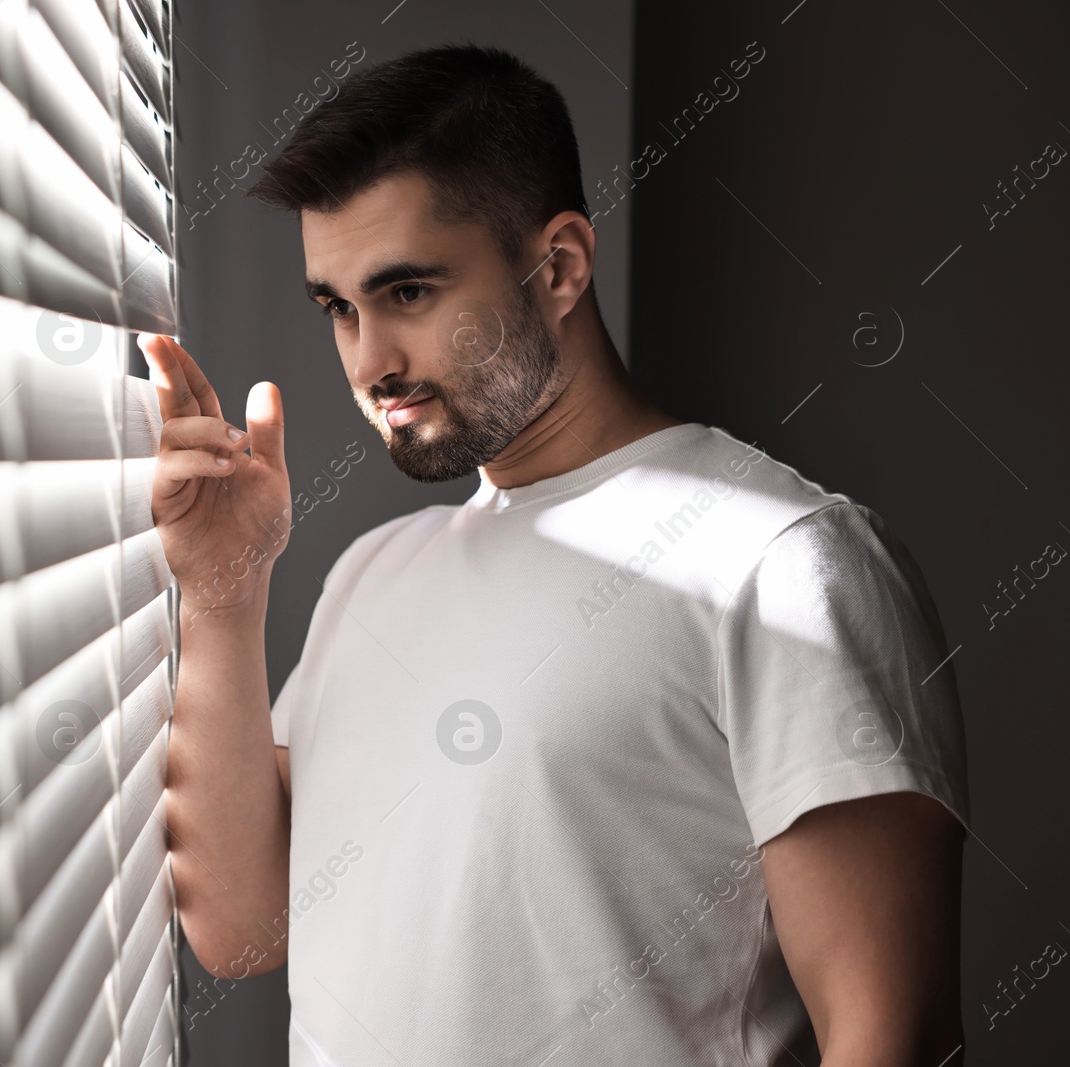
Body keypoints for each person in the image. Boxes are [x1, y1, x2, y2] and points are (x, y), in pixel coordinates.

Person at [142, 43, 968, 1067]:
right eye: (339, 307)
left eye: (408, 292)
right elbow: (241, 926)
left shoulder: (780, 564)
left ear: (561, 266)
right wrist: (223, 587)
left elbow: (894, 1037)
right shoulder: (371, 571)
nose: (369, 361)